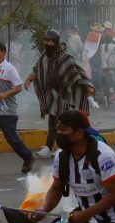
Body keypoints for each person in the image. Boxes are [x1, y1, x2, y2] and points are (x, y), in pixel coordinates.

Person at [23, 29, 95, 159]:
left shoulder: (65, 57)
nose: (46, 43)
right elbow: (36, 70)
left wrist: (88, 86)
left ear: (55, 42)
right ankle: (48, 147)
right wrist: (28, 79)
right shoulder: (44, 57)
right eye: (45, 41)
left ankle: (62, 148)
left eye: (49, 41)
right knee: (52, 120)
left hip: (66, 95)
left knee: (64, 122)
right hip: (52, 94)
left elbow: (78, 71)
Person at [0, 41, 34, 176]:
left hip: (7, 112)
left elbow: (18, 87)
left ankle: (28, 157)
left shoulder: (9, 68)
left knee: (12, 139)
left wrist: (5, 94)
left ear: (2, 52)